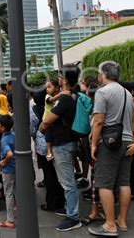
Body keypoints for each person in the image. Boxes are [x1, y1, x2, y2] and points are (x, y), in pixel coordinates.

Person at [88, 61, 134, 236]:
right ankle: (122, 221)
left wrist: (93, 144)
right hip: (127, 141)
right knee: (124, 182)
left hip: (109, 143)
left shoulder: (103, 92)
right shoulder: (127, 93)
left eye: (99, 73)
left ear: (103, 74)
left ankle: (110, 224)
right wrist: (131, 135)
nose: (98, 76)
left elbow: (99, 121)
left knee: (104, 184)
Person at [40, 63, 82, 232]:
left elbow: (47, 121)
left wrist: (43, 125)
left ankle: (73, 217)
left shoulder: (64, 98)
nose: (58, 78)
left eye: (59, 76)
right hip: (69, 141)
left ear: (64, 79)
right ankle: (69, 207)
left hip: (62, 144)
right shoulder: (74, 95)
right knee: (67, 180)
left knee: (67, 182)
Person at [30, 89, 65, 212]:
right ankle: (62, 200)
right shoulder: (56, 106)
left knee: (49, 175)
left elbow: (32, 130)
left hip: (42, 145)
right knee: (59, 173)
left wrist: (36, 138)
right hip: (58, 142)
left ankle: (51, 203)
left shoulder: (33, 110)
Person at [0, 115, 16, 229]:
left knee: (8, 194)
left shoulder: (4, 140)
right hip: (15, 167)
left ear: (3, 128)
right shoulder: (13, 135)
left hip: (8, 169)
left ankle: (10, 220)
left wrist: (3, 162)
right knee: (16, 191)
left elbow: (9, 154)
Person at [44, 79, 61, 161]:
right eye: (46, 87)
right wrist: (61, 94)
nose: (47, 89)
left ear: (56, 88)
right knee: (48, 133)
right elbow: (51, 100)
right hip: (47, 118)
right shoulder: (48, 96)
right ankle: (49, 151)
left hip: (54, 119)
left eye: (49, 87)